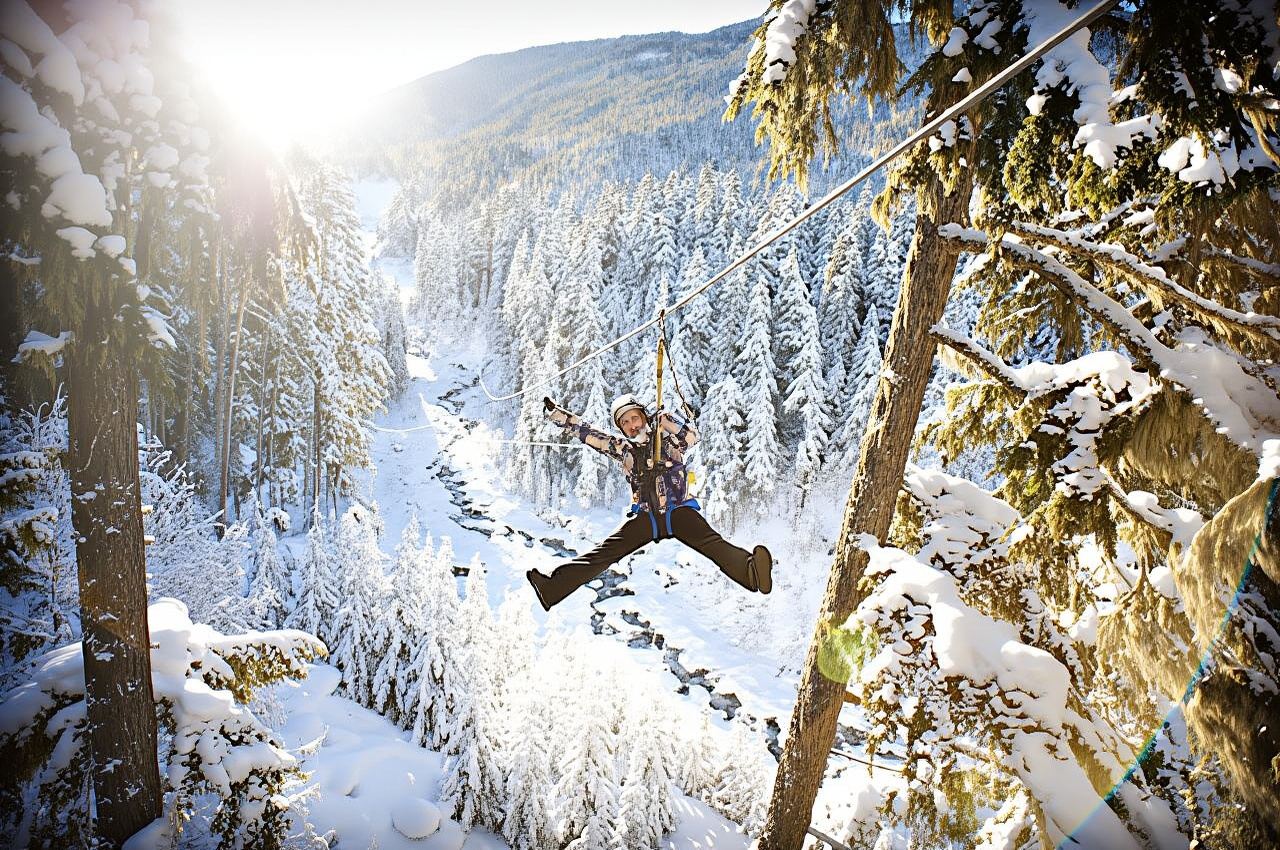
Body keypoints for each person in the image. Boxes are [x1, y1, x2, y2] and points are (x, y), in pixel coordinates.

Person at [525, 393, 772, 610]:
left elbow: (692, 437)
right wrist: (558, 416)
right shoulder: (624, 449)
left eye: (634, 418)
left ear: (643, 416)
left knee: (710, 542)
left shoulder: (667, 440)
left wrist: (668, 422)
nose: (632, 425)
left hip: (678, 512)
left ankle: (750, 573)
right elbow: (590, 434)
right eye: (625, 423)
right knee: (605, 553)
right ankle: (553, 589)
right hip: (648, 518)